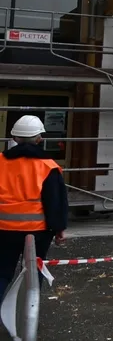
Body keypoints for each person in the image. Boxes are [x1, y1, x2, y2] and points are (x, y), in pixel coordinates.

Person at [0, 116, 67, 298]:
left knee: (2, 272)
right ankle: (29, 311)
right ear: (39, 139)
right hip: (38, 232)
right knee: (34, 272)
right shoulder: (48, 166)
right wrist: (59, 228)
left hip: (4, 229)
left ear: (14, 138)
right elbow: (55, 202)